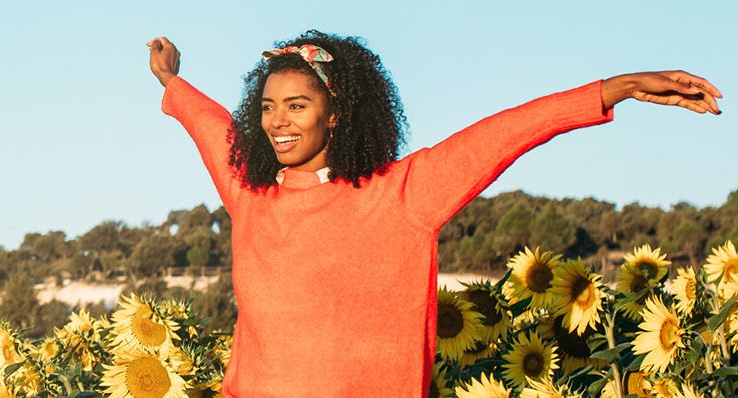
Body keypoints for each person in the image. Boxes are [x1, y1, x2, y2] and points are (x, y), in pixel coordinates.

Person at [145, 30, 721, 397]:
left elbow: (502, 134)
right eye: (268, 108)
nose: (278, 122)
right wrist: (173, 80)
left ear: (338, 115)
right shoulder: (250, 189)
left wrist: (611, 89)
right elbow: (210, 124)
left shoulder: (401, 194)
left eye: (298, 106)